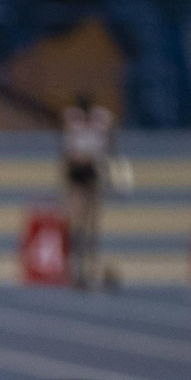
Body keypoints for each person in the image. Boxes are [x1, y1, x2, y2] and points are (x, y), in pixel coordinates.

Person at [61, 93, 114, 290]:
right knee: (77, 228)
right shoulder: (72, 121)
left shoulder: (100, 121)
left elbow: (107, 148)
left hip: (91, 176)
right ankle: (77, 271)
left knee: (91, 229)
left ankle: (90, 270)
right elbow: (68, 154)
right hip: (78, 177)